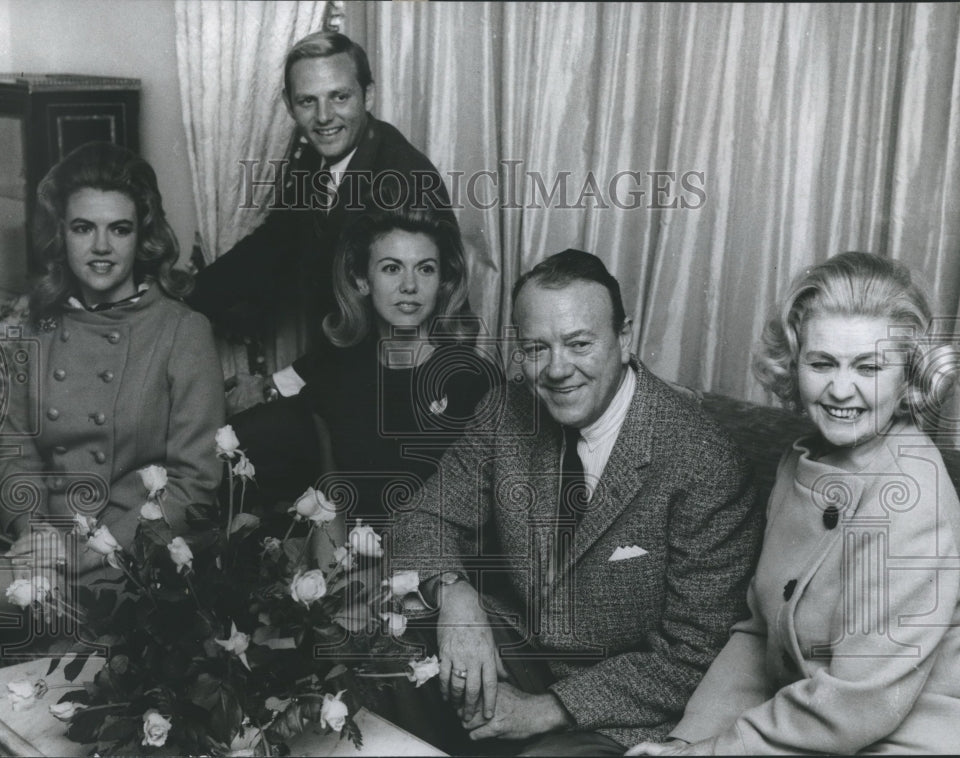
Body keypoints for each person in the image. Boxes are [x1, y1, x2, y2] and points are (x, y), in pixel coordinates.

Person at [390, 249, 763, 755]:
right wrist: (454, 594)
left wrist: (544, 711)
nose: (557, 369)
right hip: (523, 650)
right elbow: (423, 515)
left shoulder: (703, 459)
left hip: (624, 709)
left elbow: (696, 654)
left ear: (624, 339)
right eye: (536, 348)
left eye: (579, 343)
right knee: (388, 636)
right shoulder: (506, 409)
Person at [628, 251, 960, 755]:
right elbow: (758, 637)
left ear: (907, 374)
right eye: (821, 362)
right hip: (802, 732)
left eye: (868, 366)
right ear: (793, 362)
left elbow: (855, 704)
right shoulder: (798, 462)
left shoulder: (912, 494)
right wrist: (685, 741)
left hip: (900, 741)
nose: (840, 389)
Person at [0, 142, 226, 673]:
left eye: (119, 229)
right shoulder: (39, 323)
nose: (100, 247)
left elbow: (194, 487)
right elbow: (17, 454)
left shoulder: (181, 331)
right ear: (61, 235)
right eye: (83, 228)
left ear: (142, 237)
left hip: (123, 558)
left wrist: (79, 553)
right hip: (28, 535)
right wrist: (34, 532)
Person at [187, 30, 455, 414]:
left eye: (340, 96)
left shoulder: (402, 182)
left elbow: (387, 329)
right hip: (341, 370)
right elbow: (274, 243)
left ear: (369, 96)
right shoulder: (316, 158)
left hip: (403, 390)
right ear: (288, 105)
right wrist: (185, 297)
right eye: (308, 101)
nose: (325, 117)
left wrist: (273, 387)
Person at [230, 205, 500, 522]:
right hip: (354, 562)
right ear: (362, 280)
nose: (410, 285)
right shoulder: (334, 376)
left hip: (444, 565)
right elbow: (331, 505)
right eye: (391, 268)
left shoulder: (473, 380)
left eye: (425, 269)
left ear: (443, 281)